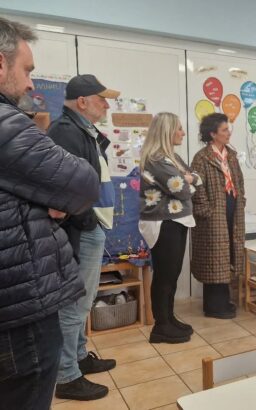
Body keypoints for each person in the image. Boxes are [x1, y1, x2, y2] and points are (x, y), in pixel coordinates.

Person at [0, 17, 99, 410]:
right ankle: (71, 374)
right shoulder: (7, 124)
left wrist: (41, 196)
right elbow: (83, 184)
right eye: (27, 70)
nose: (31, 84)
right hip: (18, 307)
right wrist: (48, 199)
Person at [48, 74, 119, 401]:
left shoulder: (83, 131)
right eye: (102, 99)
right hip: (81, 230)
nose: (107, 105)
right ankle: (66, 376)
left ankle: (77, 357)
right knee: (74, 304)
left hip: (89, 227)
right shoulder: (66, 132)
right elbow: (63, 186)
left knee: (83, 301)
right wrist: (88, 220)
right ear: (82, 101)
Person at [139, 112, 200, 343]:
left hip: (175, 220)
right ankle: (161, 326)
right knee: (165, 275)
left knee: (172, 274)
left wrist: (188, 179)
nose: (183, 133)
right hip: (163, 222)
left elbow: (196, 178)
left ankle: (168, 318)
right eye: (179, 128)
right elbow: (183, 190)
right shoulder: (157, 160)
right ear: (167, 131)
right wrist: (187, 180)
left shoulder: (171, 158)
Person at [191, 113, 246, 319]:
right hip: (213, 214)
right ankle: (214, 306)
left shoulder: (230, 155)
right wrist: (206, 210)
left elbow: (239, 181)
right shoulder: (202, 157)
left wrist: (241, 200)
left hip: (232, 209)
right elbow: (196, 187)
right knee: (214, 258)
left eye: (227, 129)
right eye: (224, 130)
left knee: (228, 253)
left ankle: (224, 301)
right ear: (213, 134)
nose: (228, 133)